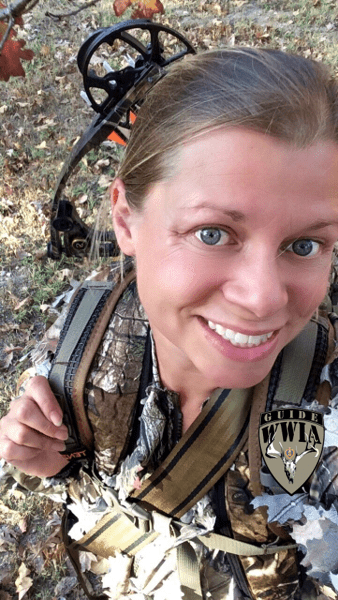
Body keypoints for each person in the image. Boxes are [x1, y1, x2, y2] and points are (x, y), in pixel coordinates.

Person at [1, 46, 338, 600]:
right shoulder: (82, 334)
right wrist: (48, 461)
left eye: (304, 244)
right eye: (212, 233)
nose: (262, 297)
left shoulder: (324, 397)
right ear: (126, 220)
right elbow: (81, 480)